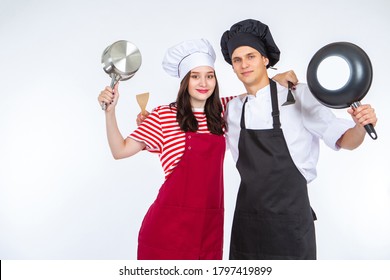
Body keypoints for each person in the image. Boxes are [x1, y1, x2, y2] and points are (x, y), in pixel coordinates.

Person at [220, 19, 378, 260]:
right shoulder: (232, 109)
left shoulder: (297, 95)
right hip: (247, 226)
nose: (244, 64)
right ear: (232, 67)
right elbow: (194, 115)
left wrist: (359, 125)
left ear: (265, 59)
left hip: (290, 226)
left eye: (251, 56)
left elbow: (345, 140)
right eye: (237, 60)